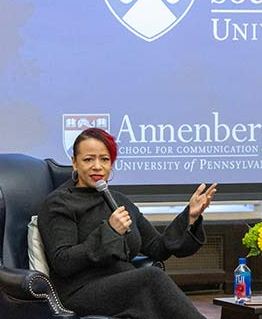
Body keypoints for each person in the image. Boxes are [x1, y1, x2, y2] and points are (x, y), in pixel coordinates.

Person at [38, 127, 217, 319]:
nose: (97, 166)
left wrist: (190, 216)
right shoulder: (59, 203)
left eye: (104, 159)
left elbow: (158, 248)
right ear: (74, 162)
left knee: (151, 286)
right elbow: (63, 262)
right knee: (151, 278)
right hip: (79, 290)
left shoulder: (119, 200)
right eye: (88, 159)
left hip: (122, 283)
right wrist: (110, 231)